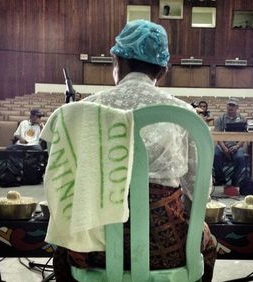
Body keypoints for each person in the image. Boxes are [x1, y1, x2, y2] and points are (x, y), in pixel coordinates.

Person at [44, 20, 216, 282]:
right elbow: (198, 192)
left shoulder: (82, 111)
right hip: (165, 249)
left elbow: (62, 184)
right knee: (209, 243)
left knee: (61, 251)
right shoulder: (184, 115)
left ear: (118, 61)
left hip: (92, 247)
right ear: (162, 71)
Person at [213, 98, 247, 196]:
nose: (230, 107)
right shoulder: (220, 119)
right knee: (215, 155)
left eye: (233, 105)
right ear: (226, 106)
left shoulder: (242, 119)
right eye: (229, 105)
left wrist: (236, 146)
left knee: (240, 158)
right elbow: (218, 136)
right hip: (222, 146)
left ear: (237, 107)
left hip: (236, 146)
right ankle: (220, 179)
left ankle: (235, 180)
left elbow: (245, 137)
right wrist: (224, 148)